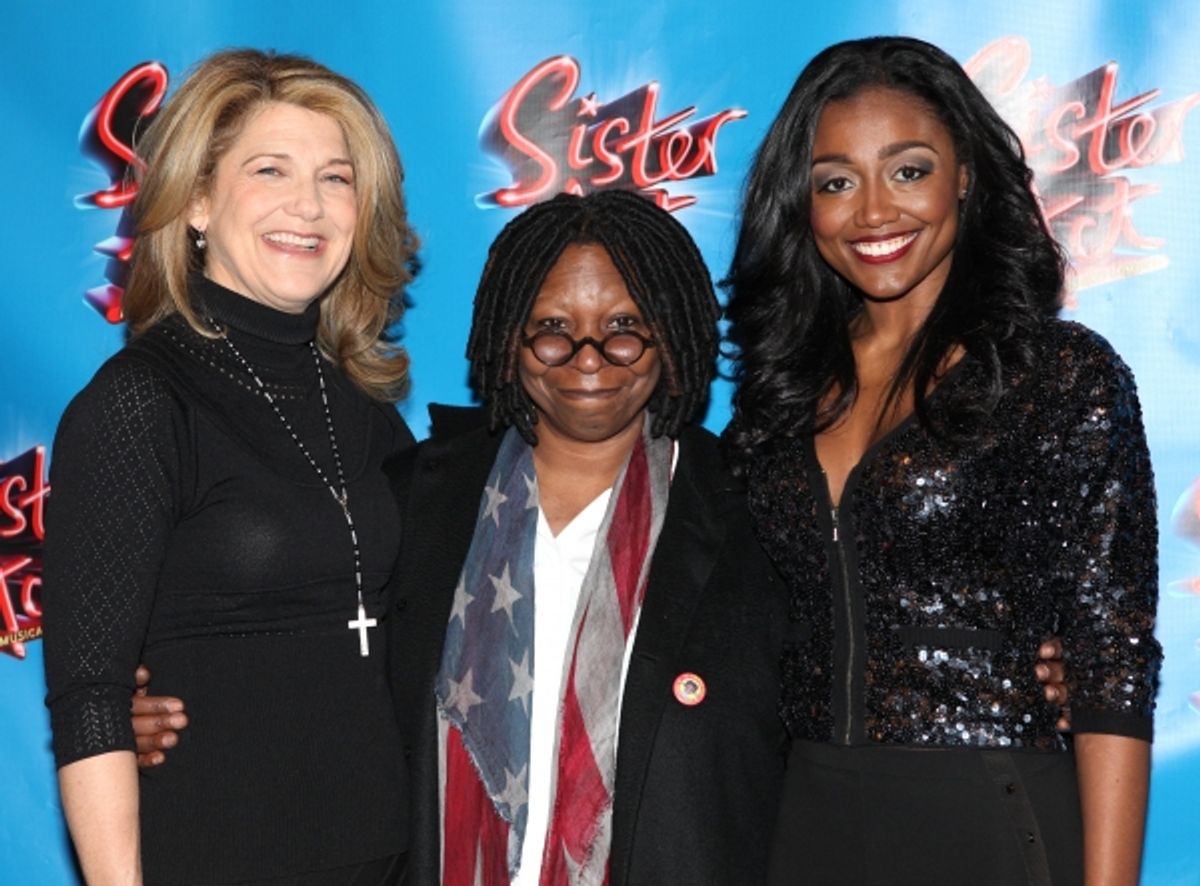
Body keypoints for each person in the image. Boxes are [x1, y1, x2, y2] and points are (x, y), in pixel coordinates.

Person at [723, 36, 1161, 886]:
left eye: (908, 170)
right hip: (804, 820)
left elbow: (1111, 662)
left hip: (990, 818)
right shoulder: (780, 393)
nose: (873, 211)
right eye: (835, 182)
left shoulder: (1057, 375)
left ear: (964, 175)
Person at [43, 49, 417, 885]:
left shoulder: (370, 414)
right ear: (198, 199)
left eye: (336, 178)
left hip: (389, 861)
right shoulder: (140, 403)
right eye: (270, 170)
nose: (307, 205)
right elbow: (91, 697)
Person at [387, 189, 791, 885]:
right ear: (508, 339)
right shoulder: (413, 499)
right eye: (552, 328)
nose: (589, 359)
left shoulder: (753, 517)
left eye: (624, 327)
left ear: (672, 336)